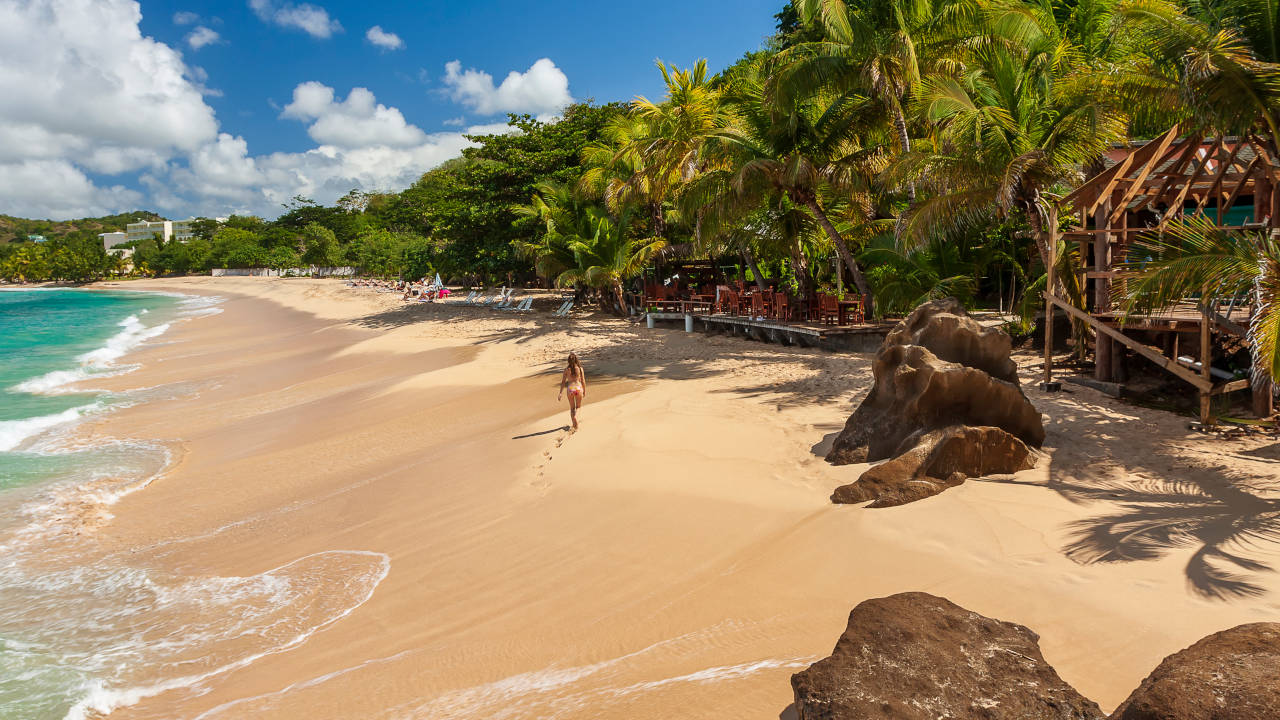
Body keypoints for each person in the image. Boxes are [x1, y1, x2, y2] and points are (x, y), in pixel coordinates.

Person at [557, 352, 586, 430]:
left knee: (572, 408)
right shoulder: (580, 369)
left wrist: (560, 393)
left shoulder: (566, 370)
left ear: (568, 361)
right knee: (578, 407)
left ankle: (574, 424)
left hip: (570, 389)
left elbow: (563, 382)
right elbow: (583, 381)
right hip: (578, 388)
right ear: (576, 359)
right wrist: (584, 390)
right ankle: (576, 418)